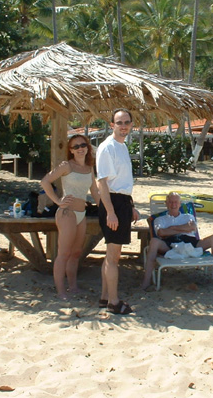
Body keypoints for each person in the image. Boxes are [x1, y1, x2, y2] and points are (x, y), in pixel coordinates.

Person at [41, 135, 100, 300]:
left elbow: (95, 191)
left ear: (87, 147)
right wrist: (58, 201)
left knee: (76, 253)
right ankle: (61, 291)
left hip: (82, 213)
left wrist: (106, 210)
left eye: (82, 145)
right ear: (71, 150)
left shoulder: (89, 167)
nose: (80, 148)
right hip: (67, 213)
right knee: (64, 253)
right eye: (75, 146)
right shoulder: (66, 165)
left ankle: (73, 287)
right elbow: (45, 181)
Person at [96, 109, 140, 315]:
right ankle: (114, 302)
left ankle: (105, 297)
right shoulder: (107, 148)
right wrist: (111, 212)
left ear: (131, 124)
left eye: (127, 122)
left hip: (122, 203)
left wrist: (130, 207)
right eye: (119, 122)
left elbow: (121, 183)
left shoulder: (121, 147)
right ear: (112, 124)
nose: (123, 126)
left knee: (111, 255)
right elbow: (102, 183)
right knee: (113, 257)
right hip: (112, 204)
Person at [141, 192, 213, 290]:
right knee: (154, 241)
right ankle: (146, 281)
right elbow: (161, 233)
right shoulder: (160, 219)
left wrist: (172, 228)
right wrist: (184, 228)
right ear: (166, 203)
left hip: (191, 242)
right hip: (170, 244)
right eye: (170, 202)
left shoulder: (188, 216)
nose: (173, 205)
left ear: (180, 204)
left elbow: (192, 227)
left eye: (176, 202)